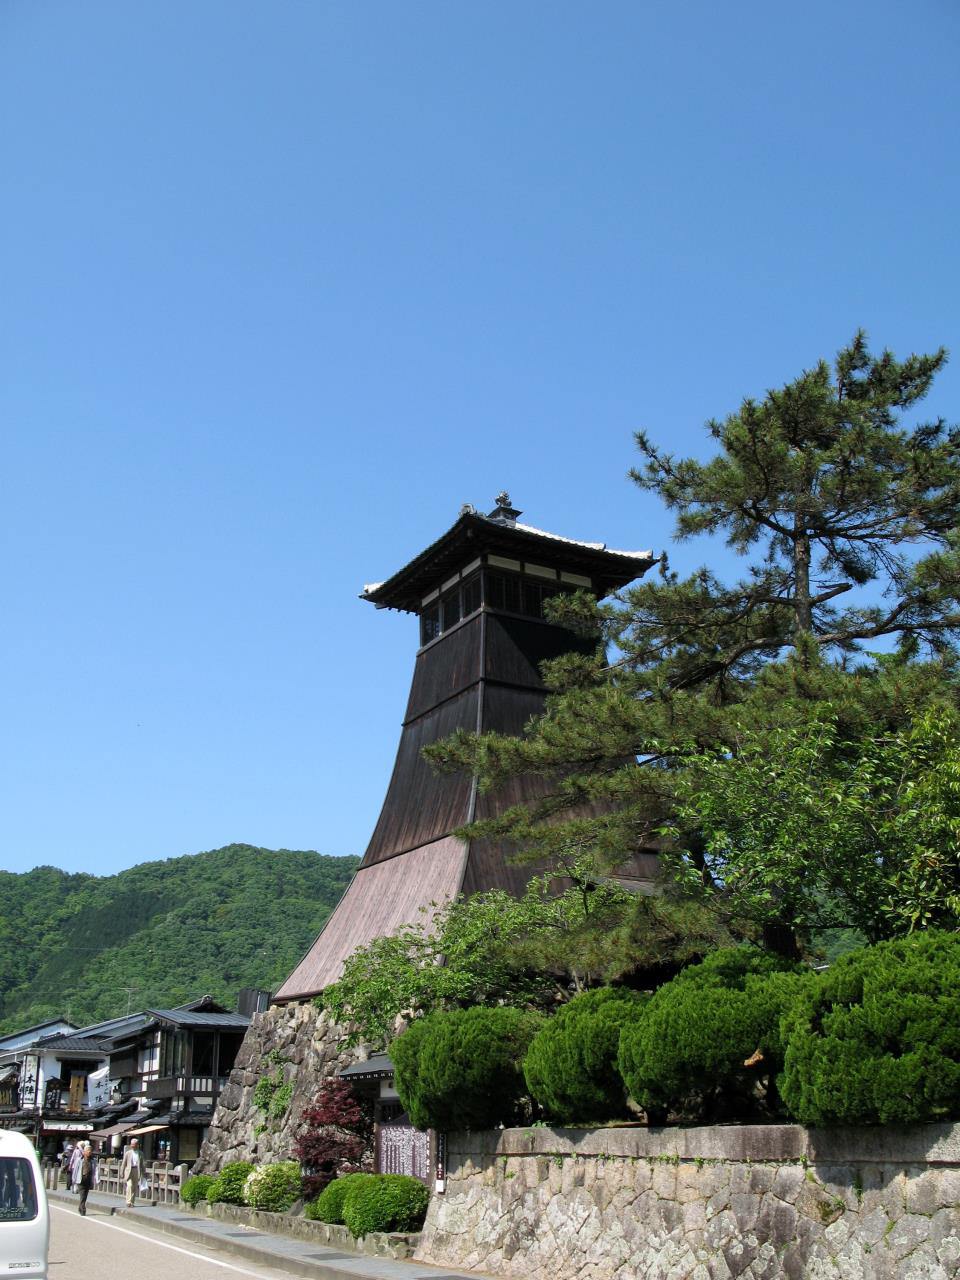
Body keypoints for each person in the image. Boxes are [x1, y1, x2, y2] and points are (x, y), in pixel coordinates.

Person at [119, 1137, 146, 1207]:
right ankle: (128, 1201)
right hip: (129, 1171)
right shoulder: (128, 1153)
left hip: (137, 1170)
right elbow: (124, 1163)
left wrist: (144, 1172)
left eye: (134, 1144)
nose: (132, 1146)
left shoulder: (140, 1153)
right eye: (132, 1144)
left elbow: (143, 1164)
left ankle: (132, 1202)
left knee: (134, 1187)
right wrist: (121, 1173)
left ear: (137, 1145)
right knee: (129, 1186)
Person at [76, 1142, 96, 1216]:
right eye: (88, 1151)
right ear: (84, 1152)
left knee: (85, 1195)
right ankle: (83, 1209)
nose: (89, 1152)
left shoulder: (93, 1161)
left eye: (90, 1151)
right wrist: (74, 1179)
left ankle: (80, 1207)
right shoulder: (79, 1160)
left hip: (88, 1179)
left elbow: (95, 1170)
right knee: (82, 1194)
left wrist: (96, 1179)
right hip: (81, 1179)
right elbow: (75, 1170)